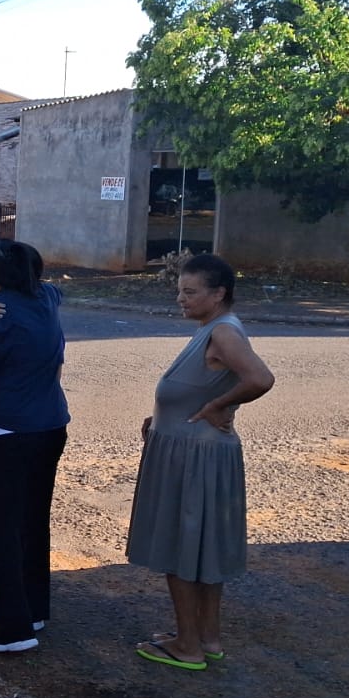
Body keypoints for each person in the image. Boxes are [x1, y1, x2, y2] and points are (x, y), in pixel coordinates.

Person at [126, 253, 274, 670]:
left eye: (190, 293)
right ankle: (206, 638)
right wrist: (162, 417)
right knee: (203, 550)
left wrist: (218, 405)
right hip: (191, 448)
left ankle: (187, 646)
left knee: (182, 548)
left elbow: (260, 379)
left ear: (218, 293)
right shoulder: (215, 328)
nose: (181, 300)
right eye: (180, 292)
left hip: (194, 456)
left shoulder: (223, 333)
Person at [0, 239, 70, 653]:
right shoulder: (46, 296)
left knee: (5, 526)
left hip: (9, 429)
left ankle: (14, 630)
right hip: (52, 423)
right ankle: (34, 608)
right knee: (33, 519)